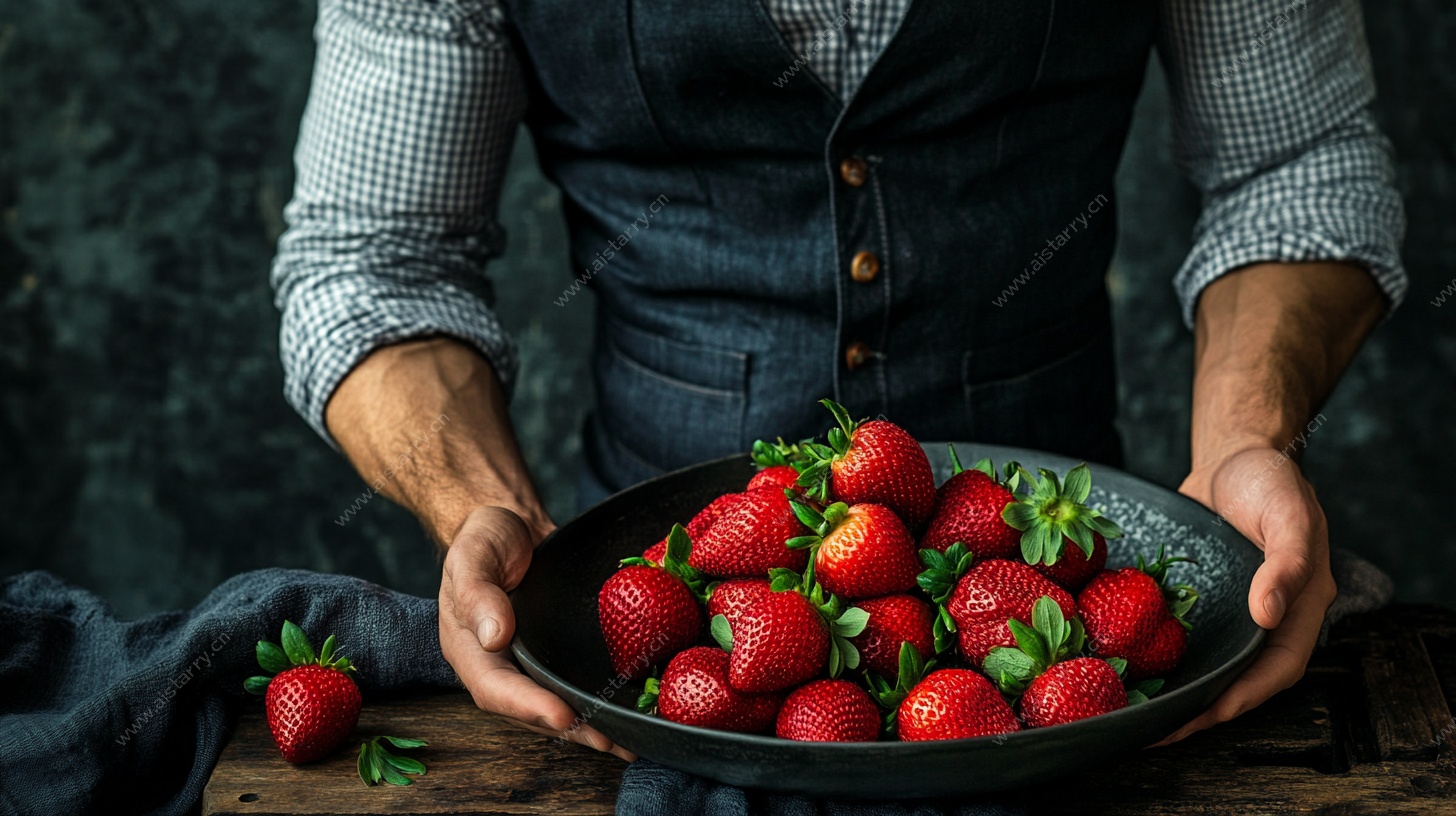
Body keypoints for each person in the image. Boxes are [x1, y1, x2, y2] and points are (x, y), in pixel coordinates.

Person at [271, 0, 1405, 760]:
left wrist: (1246, 438)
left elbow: (1296, 164)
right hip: (661, 649)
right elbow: (372, 260)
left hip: (1062, 614)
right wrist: (486, 508)